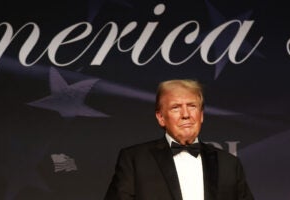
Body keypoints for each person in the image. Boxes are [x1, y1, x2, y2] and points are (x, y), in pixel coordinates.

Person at [104, 79, 254, 200]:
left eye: (192, 106)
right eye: (176, 107)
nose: (186, 114)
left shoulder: (229, 164)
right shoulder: (134, 160)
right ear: (161, 118)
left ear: (201, 115)